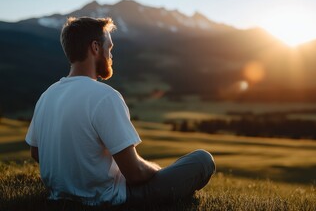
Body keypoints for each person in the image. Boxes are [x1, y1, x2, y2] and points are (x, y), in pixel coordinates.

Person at [25, 16, 216, 207]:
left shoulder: (47, 95)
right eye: (109, 48)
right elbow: (135, 173)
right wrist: (157, 172)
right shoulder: (105, 96)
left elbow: (36, 153)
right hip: (112, 199)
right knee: (202, 160)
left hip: (59, 195)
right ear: (95, 48)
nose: (111, 56)